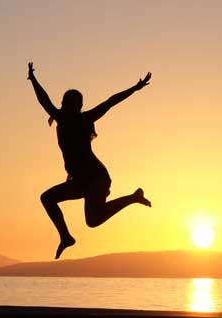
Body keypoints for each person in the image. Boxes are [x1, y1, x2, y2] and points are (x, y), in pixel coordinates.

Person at [28, 62, 152, 259]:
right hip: (79, 181)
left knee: (92, 220)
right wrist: (33, 79)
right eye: (67, 102)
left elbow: (110, 102)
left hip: (97, 178)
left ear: (79, 106)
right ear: (63, 104)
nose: (69, 106)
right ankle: (66, 237)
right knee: (47, 198)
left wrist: (135, 88)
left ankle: (133, 198)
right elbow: (43, 100)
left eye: (74, 104)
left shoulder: (86, 118)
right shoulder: (60, 117)